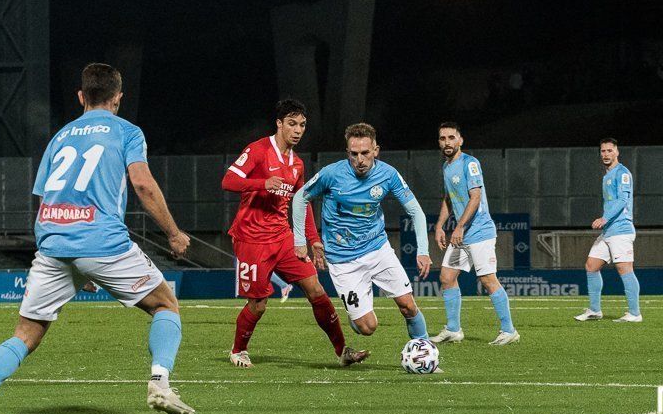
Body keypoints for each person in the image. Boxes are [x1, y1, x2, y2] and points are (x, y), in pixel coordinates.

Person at [0, 63, 195, 414]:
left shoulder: (60, 137)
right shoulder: (127, 132)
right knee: (166, 304)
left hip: (53, 244)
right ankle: (160, 383)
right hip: (102, 241)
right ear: (118, 97)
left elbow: (43, 199)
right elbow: (143, 184)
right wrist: (174, 233)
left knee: (25, 334)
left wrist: (71, 263)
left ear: (81, 96)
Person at [221, 99, 367, 368]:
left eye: (302, 125)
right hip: (252, 239)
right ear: (279, 124)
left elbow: (302, 203)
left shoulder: (297, 164)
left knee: (316, 289)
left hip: (283, 237)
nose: (298, 130)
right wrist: (261, 183)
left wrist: (312, 239)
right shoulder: (257, 150)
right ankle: (238, 350)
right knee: (259, 304)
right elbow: (228, 181)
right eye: (292, 124)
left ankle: (342, 351)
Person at [291, 122, 432, 341]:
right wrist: (300, 240)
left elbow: (416, 212)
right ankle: (355, 315)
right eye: (354, 154)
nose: (360, 160)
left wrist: (423, 250)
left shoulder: (388, 175)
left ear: (376, 150)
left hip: (377, 249)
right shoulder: (332, 174)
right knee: (367, 327)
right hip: (343, 260)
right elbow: (300, 197)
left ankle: (425, 352)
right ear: (347, 152)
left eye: (365, 153)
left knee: (408, 306)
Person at [430, 122, 519, 345]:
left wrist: (458, 227)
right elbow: (448, 199)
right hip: (462, 233)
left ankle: (509, 331)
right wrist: (440, 225)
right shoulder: (446, 167)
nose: (447, 142)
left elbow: (475, 197)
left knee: (488, 280)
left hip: (479, 232)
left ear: (460, 140)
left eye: (451, 138)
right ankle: (453, 329)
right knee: (447, 277)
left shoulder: (470, 163)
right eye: (443, 138)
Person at [574, 138, 642, 322]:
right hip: (609, 230)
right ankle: (594, 310)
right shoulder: (607, 175)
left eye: (609, 150)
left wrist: (604, 218)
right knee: (591, 265)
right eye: (603, 151)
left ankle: (635, 314)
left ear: (617, 152)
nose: (606, 154)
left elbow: (622, 200)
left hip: (621, 229)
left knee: (624, 268)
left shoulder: (622, 173)